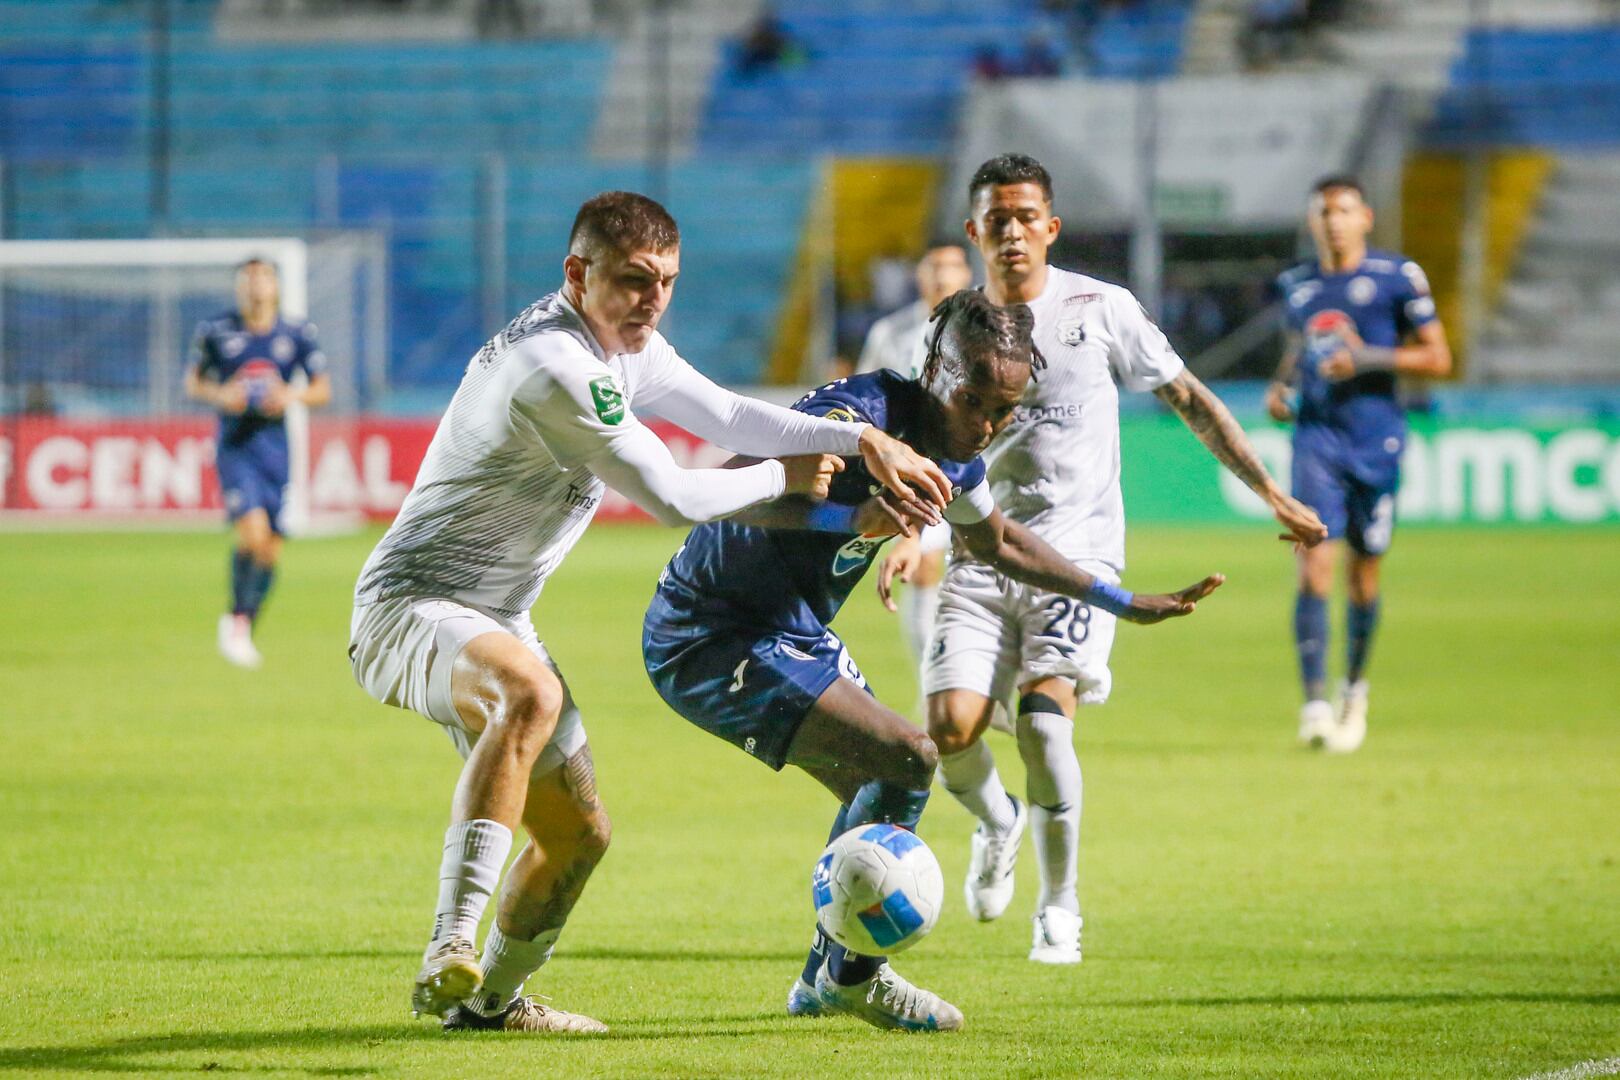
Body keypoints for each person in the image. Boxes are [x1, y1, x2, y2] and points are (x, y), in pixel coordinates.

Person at [347, 191, 950, 1036]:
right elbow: (671, 496)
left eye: (666, 281)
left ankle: (490, 1007)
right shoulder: (554, 364)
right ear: (577, 272)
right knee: (529, 693)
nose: (653, 299)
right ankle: (450, 945)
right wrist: (783, 476)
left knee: (579, 838)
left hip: (498, 616)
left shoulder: (627, 344)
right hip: (410, 603)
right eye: (635, 280)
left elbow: (730, 414)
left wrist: (859, 441)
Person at [642, 290, 1224, 1032]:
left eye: (1002, 410)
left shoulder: (954, 456)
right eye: (971, 399)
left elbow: (998, 542)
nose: (983, 425)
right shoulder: (854, 417)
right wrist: (847, 517)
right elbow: (725, 494)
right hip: (708, 631)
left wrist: (1118, 599)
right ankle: (856, 978)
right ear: (933, 369)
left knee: (878, 785)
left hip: (791, 631)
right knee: (909, 757)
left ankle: (826, 975)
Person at [881, 154, 1325, 965]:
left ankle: (1060, 907)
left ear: (1051, 227)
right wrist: (913, 530)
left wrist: (1271, 491)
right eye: (997, 219)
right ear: (974, 230)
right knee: (947, 731)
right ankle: (999, 823)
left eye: (1027, 217)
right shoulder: (948, 328)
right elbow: (925, 445)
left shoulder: (1101, 308)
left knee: (1045, 733)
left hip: (1078, 555)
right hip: (983, 556)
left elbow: (1188, 398)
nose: (1013, 232)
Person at [1265, 175, 1451, 753]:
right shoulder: (1297, 284)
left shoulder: (1397, 278)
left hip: (1375, 440)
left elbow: (1438, 358)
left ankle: (1353, 689)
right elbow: (1298, 349)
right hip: (1316, 439)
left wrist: (1366, 358)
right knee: (1312, 566)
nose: (1334, 222)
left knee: (1363, 577)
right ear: (1312, 221)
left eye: (1344, 210)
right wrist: (1281, 387)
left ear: (1365, 217)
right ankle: (1314, 705)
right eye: (1324, 212)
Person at [184, 257, 331, 669]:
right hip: (236, 447)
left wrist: (289, 395)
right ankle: (235, 622)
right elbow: (193, 382)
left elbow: (322, 390)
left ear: (276, 286)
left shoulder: (297, 334)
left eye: (263, 277)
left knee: (269, 549)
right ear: (238, 288)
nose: (255, 286)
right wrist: (221, 395)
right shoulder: (216, 331)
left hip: (276, 449)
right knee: (253, 534)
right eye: (247, 279)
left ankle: (242, 622)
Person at [855, 244, 974, 677]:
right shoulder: (890, 333)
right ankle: (936, 682)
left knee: (973, 578)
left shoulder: (982, 328)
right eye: (934, 267)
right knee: (924, 568)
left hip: (974, 467)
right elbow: (863, 395)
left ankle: (965, 680)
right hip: (914, 469)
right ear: (919, 277)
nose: (942, 276)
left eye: (952, 266)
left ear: (967, 274)